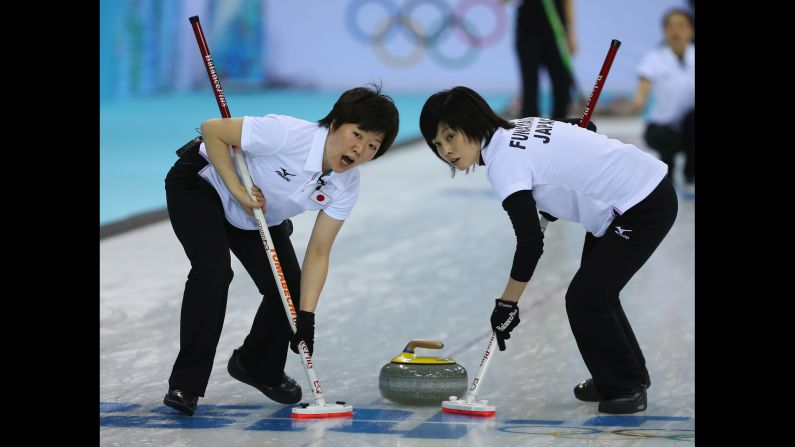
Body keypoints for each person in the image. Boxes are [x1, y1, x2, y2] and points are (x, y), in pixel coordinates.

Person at [419, 86, 678, 414]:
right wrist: (551, 197)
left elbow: (529, 243)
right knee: (599, 296)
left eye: (451, 136)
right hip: (623, 203)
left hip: (641, 205)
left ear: (472, 123)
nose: (446, 151)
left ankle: (626, 387)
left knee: (586, 299)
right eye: (437, 144)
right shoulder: (521, 125)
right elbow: (580, 130)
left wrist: (507, 303)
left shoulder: (503, 163)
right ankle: (622, 376)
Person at [162, 85, 399, 416]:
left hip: (257, 212)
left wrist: (306, 317)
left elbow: (319, 251)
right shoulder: (288, 134)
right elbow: (212, 130)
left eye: (373, 145)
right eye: (356, 135)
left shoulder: (347, 184)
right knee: (214, 272)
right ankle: (186, 384)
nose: (360, 149)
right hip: (205, 185)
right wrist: (236, 188)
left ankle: (257, 364)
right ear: (334, 125)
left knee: (290, 291)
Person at [630, 9, 695, 196]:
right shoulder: (654, 58)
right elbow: (644, 84)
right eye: (671, 26)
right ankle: (668, 174)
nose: (676, 31)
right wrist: (639, 100)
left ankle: (691, 173)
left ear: (691, 30)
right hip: (661, 129)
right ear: (664, 31)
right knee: (666, 136)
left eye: (682, 26)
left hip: (689, 128)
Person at [506, 0, 577, 119]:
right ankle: (530, 126)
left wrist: (571, 33)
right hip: (528, 32)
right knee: (530, 86)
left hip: (556, 33)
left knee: (562, 83)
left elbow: (568, 2)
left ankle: (560, 125)